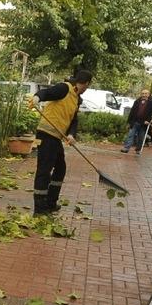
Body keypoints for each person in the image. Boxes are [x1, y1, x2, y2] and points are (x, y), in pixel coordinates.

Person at [29, 70, 94, 216]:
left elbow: (74, 121)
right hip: (46, 134)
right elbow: (47, 93)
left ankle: (50, 203)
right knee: (44, 171)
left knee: (60, 168)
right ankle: (39, 209)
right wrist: (36, 98)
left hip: (56, 137)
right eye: (88, 86)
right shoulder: (64, 88)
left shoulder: (77, 99)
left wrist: (71, 134)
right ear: (86, 84)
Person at [120, 89, 152, 155]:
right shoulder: (137, 101)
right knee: (130, 135)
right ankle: (126, 148)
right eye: (143, 93)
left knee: (141, 137)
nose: (144, 95)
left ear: (148, 94)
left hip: (144, 123)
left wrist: (148, 121)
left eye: (146, 93)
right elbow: (132, 111)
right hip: (135, 121)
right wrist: (129, 121)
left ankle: (138, 149)